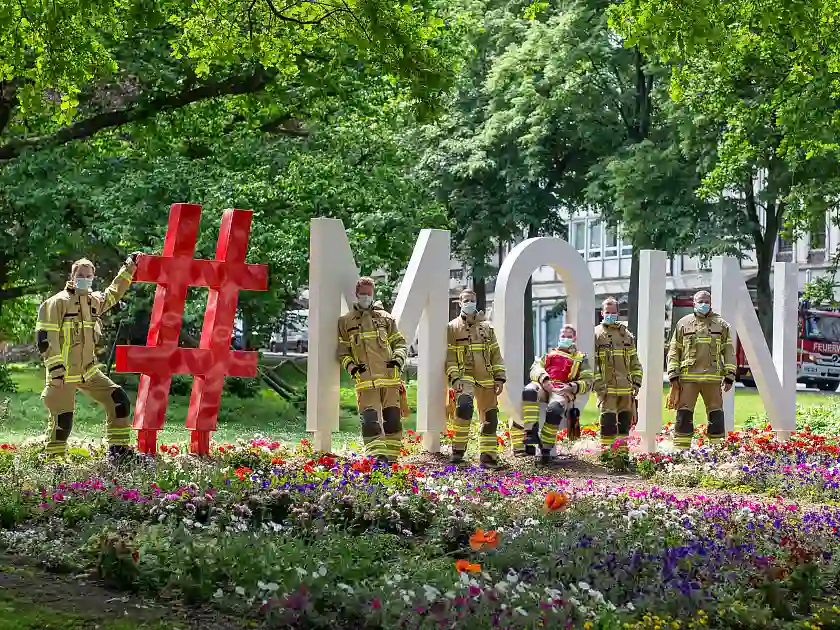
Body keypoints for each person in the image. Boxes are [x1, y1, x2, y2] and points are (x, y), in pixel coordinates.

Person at [36, 253, 141, 460]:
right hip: (63, 373)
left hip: (88, 371)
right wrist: (56, 371)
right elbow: (45, 338)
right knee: (62, 421)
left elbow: (113, 293)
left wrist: (129, 268)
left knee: (118, 400)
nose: (85, 278)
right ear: (72, 276)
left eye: (89, 275)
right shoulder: (57, 303)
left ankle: (118, 452)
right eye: (81, 275)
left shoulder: (94, 301)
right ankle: (53, 462)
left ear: (93, 277)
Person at [337, 277, 408, 464]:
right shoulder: (345, 322)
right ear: (356, 294)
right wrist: (352, 368)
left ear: (373, 294)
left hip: (390, 380)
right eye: (362, 294)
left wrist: (397, 361)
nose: (366, 297)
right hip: (366, 382)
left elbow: (400, 343)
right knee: (370, 422)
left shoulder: (386, 318)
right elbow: (342, 351)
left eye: (369, 294)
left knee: (393, 422)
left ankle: (391, 461)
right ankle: (377, 460)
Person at [666, 290, 736, 449]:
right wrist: (673, 375)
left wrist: (730, 375)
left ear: (711, 303)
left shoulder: (722, 325)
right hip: (688, 378)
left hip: (712, 378)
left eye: (706, 301)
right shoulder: (683, 323)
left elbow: (729, 351)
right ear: (694, 303)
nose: (703, 304)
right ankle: (681, 450)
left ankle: (717, 450)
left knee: (716, 414)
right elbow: (674, 350)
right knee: (684, 414)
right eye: (700, 301)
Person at [444, 290, 506, 468]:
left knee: (490, 418)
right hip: (465, 378)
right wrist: (455, 379)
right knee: (464, 408)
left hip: (486, 378)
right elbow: (450, 357)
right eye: (466, 300)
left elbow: (495, 354)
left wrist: (500, 379)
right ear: (460, 303)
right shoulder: (452, 327)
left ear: (476, 301)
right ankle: (457, 452)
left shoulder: (487, 327)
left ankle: (488, 457)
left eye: (472, 300)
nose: (469, 302)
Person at [518, 324, 594, 466]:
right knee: (529, 392)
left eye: (568, 336)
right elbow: (535, 368)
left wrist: (572, 387)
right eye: (563, 336)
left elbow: (588, 380)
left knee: (555, 409)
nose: (565, 339)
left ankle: (546, 449)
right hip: (543, 384)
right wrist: (544, 379)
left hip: (561, 390)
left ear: (574, 338)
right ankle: (530, 433)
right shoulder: (548, 355)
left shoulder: (580, 358)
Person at [593, 297, 643, 452]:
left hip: (625, 390)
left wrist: (636, 383)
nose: (610, 315)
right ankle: (607, 455)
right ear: (602, 313)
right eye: (607, 312)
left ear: (618, 313)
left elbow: (635, 361)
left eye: (613, 312)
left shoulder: (626, 335)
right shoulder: (595, 334)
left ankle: (621, 456)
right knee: (607, 423)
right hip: (606, 390)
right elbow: (591, 365)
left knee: (624, 424)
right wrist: (599, 386)